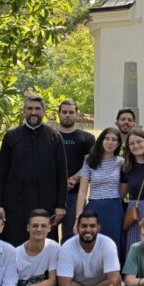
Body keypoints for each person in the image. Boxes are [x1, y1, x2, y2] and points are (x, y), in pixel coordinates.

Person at [0, 96, 69, 245]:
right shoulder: (11, 137)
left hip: (45, 203)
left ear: (44, 112)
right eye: (30, 108)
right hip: (15, 204)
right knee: (13, 245)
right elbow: (0, 173)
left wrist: (61, 205)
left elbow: (62, 173)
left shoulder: (54, 137)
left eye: (37, 109)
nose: (33, 112)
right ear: (24, 111)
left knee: (45, 247)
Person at [75, 127, 125, 243]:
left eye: (114, 140)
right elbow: (82, 192)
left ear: (118, 144)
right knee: (93, 241)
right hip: (94, 206)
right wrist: (78, 216)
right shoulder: (89, 161)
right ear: (101, 140)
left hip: (114, 208)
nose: (110, 142)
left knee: (113, 242)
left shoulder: (121, 162)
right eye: (107, 139)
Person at [56, 100, 96, 239]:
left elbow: (90, 163)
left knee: (71, 235)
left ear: (76, 114)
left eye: (71, 112)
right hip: (51, 194)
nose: (67, 115)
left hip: (75, 195)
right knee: (47, 235)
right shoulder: (50, 136)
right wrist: (61, 183)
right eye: (64, 112)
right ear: (59, 114)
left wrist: (73, 179)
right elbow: (45, 164)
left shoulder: (87, 138)